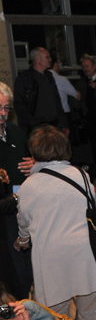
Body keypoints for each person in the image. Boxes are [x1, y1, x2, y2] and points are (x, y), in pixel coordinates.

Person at [15, 125, 96, 320]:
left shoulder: (28, 185)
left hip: (53, 261)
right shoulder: (82, 175)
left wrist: (22, 240)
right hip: (88, 256)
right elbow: (92, 210)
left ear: (34, 152)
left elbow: (23, 222)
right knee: (94, 317)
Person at [0, 82, 35, 301]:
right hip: (4, 214)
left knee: (29, 264)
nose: (3, 114)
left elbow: (31, 158)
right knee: (15, 270)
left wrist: (34, 163)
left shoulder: (14, 131)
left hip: (24, 207)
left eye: (6, 108)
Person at [13, 47, 66, 136]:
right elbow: (18, 104)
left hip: (53, 125)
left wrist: (63, 123)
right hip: (36, 127)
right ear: (38, 59)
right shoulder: (24, 78)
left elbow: (57, 101)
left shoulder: (49, 77)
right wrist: (31, 122)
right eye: (47, 57)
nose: (50, 60)